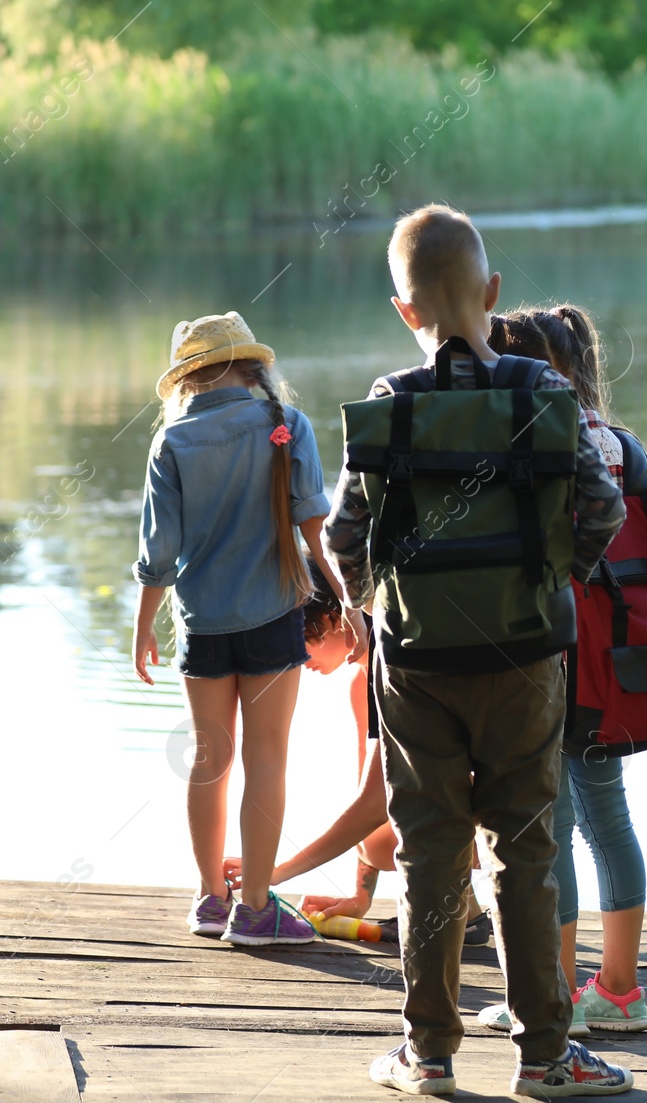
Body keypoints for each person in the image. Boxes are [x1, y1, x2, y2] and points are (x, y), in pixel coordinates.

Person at [325, 204, 630, 1098]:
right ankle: (545, 1058)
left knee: (429, 854)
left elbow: (347, 537)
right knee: (526, 851)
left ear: (402, 310)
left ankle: (428, 1057)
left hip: (417, 659)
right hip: (527, 653)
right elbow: (603, 506)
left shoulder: (390, 404)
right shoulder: (543, 394)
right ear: (493, 295)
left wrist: (361, 603)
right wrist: (554, 577)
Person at [132, 310, 361, 947]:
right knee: (267, 759)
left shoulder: (171, 441)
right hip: (271, 617)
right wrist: (349, 601)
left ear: (188, 379)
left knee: (209, 760)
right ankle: (256, 908)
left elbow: (159, 548)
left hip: (201, 623)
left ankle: (210, 900)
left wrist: (143, 626)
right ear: (254, 366)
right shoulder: (286, 425)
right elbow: (318, 530)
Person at [475, 306, 647, 1037]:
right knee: (609, 819)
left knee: (550, 824)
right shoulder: (624, 445)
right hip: (614, 658)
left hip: (547, 647)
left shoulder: (526, 436)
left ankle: (552, 995)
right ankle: (618, 989)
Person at [220, 559, 493, 945]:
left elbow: (373, 803)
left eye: (299, 639)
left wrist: (274, 872)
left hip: (513, 803)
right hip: (461, 793)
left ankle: (459, 913)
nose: (293, 656)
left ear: (337, 618)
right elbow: (374, 796)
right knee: (380, 840)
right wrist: (360, 898)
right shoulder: (359, 682)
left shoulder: (400, 657)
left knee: (409, 810)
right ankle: (463, 909)